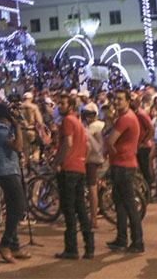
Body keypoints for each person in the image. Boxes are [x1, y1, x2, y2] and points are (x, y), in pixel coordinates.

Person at [0, 103, 30, 263]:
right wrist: (18, 126)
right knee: (19, 207)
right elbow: (19, 146)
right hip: (7, 173)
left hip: (11, 170)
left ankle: (15, 245)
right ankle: (5, 244)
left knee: (13, 209)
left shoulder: (3, 129)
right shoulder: (0, 129)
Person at [54, 94, 93, 260]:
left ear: (70, 106)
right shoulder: (78, 122)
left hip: (68, 169)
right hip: (79, 168)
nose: (59, 106)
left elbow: (68, 143)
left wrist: (58, 161)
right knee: (81, 209)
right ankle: (89, 247)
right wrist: (81, 159)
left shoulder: (68, 121)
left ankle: (71, 249)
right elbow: (88, 146)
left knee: (69, 209)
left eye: (62, 103)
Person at [105, 89, 144, 253]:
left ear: (128, 101)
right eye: (115, 99)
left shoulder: (125, 118)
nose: (116, 102)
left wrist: (108, 148)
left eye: (120, 99)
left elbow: (110, 141)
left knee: (128, 204)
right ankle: (122, 239)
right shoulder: (125, 118)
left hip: (123, 165)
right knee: (120, 204)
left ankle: (137, 241)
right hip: (122, 164)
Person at [82, 102, 105, 228]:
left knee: (92, 187)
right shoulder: (101, 124)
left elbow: (87, 145)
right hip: (101, 157)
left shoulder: (93, 127)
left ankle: (93, 219)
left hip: (93, 159)